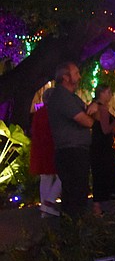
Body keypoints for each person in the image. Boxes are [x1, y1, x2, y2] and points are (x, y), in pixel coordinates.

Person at [47, 62, 96, 218]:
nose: (79, 77)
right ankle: (73, 227)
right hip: (71, 151)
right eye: (76, 73)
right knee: (75, 194)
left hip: (76, 150)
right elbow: (86, 121)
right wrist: (92, 116)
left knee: (76, 192)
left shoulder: (71, 97)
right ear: (65, 77)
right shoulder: (62, 96)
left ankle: (73, 226)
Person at [88, 85, 115, 216]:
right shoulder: (102, 109)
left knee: (100, 175)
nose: (111, 95)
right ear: (102, 93)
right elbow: (106, 130)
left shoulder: (94, 107)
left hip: (97, 147)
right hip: (104, 148)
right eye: (109, 92)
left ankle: (98, 206)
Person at [30, 88, 61, 218]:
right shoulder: (53, 112)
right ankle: (49, 203)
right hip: (50, 148)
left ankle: (45, 207)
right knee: (62, 175)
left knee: (45, 178)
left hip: (40, 149)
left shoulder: (39, 113)